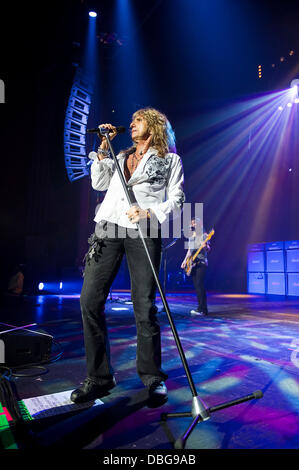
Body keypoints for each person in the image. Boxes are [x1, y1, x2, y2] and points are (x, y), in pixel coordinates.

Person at [71, 107, 185, 404]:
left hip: (143, 229)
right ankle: (99, 377)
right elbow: (98, 183)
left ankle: (152, 376)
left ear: (156, 125)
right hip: (108, 227)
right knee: (89, 300)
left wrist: (150, 212)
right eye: (131, 120)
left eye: (138, 120)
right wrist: (103, 148)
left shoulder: (170, 160)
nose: (132, 124)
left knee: (144, 305)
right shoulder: (121, 157)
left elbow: (177, 197)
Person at [181, 218, 210, 316]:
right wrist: (185, 261)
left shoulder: (204, 235)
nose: (192, 225)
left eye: (194, 223)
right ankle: (199, 308)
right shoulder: (191, 236)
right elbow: (189, 250)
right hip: (193, 263)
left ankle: (203, 309)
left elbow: (208, 249)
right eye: (191, 223)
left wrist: (205, 246)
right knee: (197, 287)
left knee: (200, 285)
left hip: (201, 262)